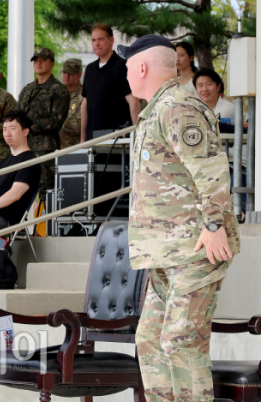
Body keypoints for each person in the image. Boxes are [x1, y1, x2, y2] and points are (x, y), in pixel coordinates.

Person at [118, 34, 240, 402]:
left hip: (195, 247)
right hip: (167, 252)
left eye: (126, 66)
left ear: (141, 67)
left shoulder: (178, 107)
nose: (124, 73)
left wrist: (215, 225)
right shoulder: (156, 108)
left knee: (181, 341)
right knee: (151, 338)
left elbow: (211, 170)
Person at [18, 47, 70, 200]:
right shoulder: (27, 90)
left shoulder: (58, 90)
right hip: (24, 148)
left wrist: (33, 126)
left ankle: (44, 224)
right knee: (21, 188)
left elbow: (57, 120)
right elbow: (18, 115)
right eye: (36, 60)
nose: (38, 63)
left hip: (44, 149)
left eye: (43, 60)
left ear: (52, 63)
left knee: (44, 192)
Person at [81, 24, 141, 142]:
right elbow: (85, 104)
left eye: (101, 39)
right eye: (93, 40)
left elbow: (134, 101)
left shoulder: (123, 66)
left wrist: (137, 137)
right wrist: (82, 138)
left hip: (116, 140)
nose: (97, 44)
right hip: (91, 139)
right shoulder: (90, 69)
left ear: (111, 40)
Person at [0, 111, 40, 231]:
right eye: (4, 129)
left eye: (12, 129)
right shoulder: (3, 162)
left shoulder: (30, 161)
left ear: (25, 131)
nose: (7, 133)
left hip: (4, 217)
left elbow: (15, 195)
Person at [60, 58, 83, 148]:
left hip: (74, 149)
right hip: (56, 151)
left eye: (71, 73)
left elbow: (80, 125)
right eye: (65, 72)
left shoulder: (84, 96)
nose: (67, 76)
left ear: (79, 75)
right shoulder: (57, 95)